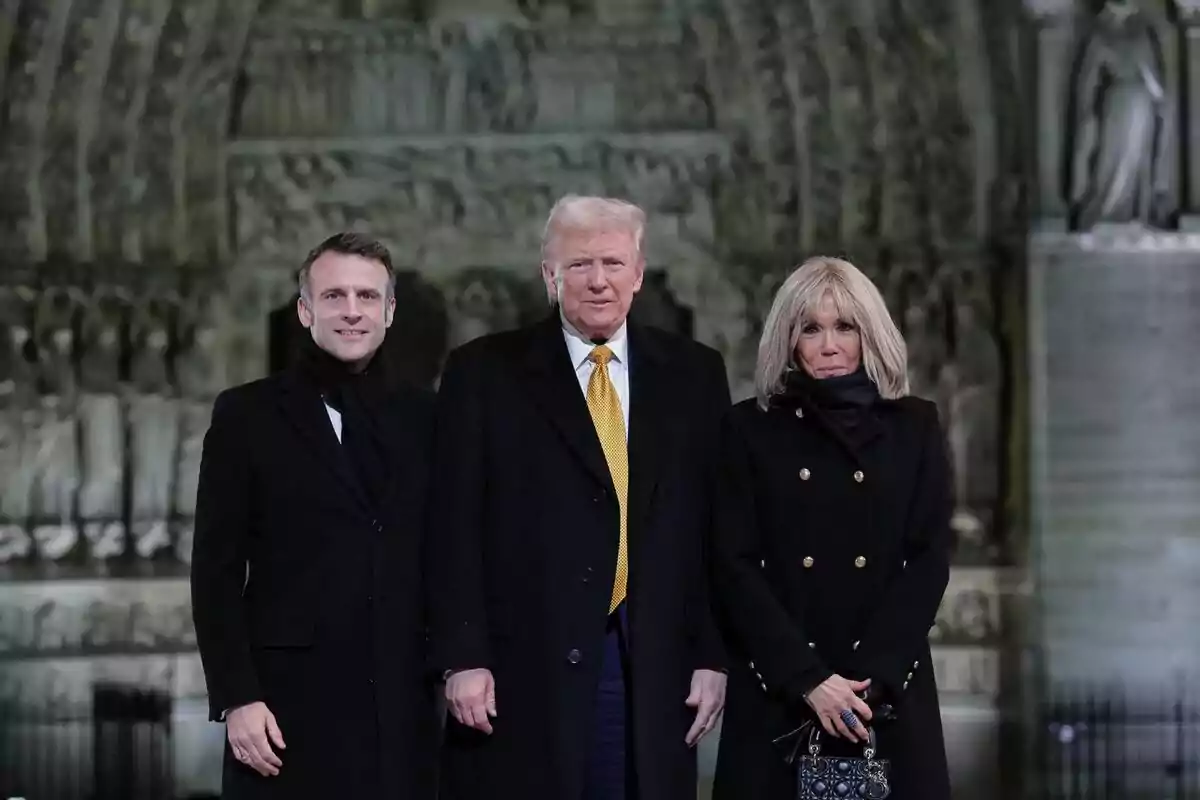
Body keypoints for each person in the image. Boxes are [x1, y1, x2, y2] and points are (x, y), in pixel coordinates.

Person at [428, 194, 730, 800]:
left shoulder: (694, 374)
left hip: (651, 661)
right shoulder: (483, 373)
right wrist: (463, 655)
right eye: (579, 264)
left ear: (639, 274)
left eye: (614, 264)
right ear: (549, 275)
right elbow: (451, 525)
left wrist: (713, 654)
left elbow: (716, 527)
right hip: (521, 665)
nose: (598, 281)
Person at [189, 232, 438, 799]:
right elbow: (215, 570)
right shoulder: (246, 415)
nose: (352, 311)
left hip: (401, 711)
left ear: (390, 310)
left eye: (367, 297)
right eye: (334, 296)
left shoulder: (427, 417)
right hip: (282, 714)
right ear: (305, 310)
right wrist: (237, 697)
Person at [710, 256, 952, 800]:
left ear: (869, 334)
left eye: (845, 326)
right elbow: (733, 564)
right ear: (788, 339)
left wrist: (872, 678)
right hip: (783, 688)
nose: (829, 344)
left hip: (885, 688)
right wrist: (809, 680)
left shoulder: (915, 426)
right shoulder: (748, 429)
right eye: (811, 328)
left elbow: (929, 556)